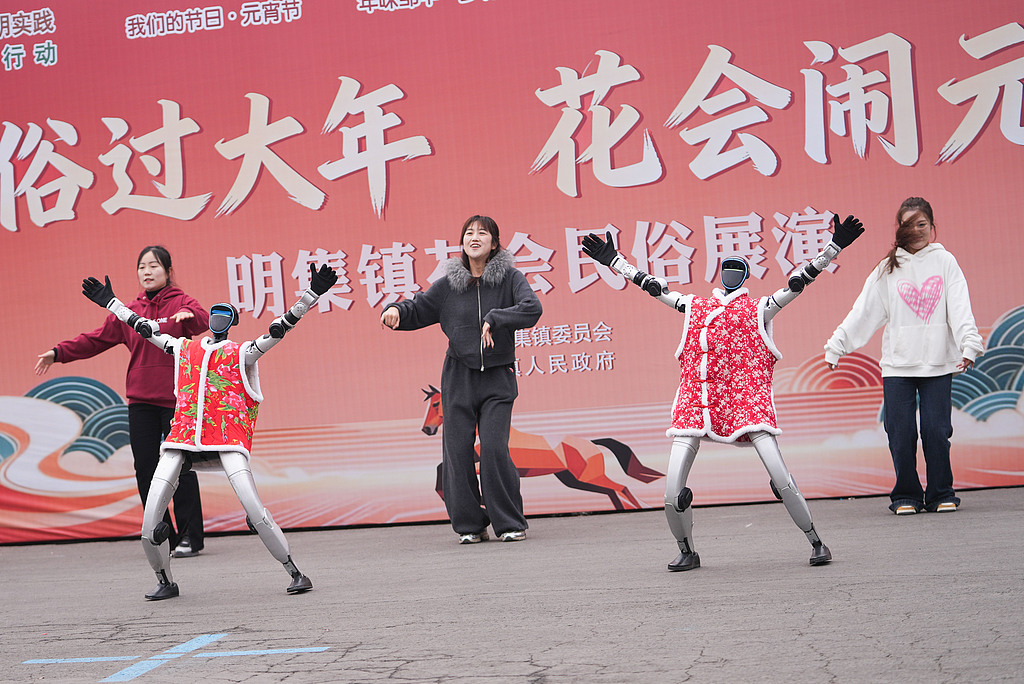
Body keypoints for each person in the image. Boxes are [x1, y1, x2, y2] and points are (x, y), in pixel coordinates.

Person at [581, 213, 864, 571]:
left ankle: (815, 540)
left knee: (781, 477)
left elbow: (798, 282)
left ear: (744, 276)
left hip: (748, 402)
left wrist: (832, 248)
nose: (731, 274)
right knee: (672, 492)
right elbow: (654, 287)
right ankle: (687, 548)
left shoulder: (759, 308)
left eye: (736, 269)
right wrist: (616, 262)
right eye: (726, 268)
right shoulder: (696, 307)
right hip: (696, 404)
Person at [79, 262, 338, 600]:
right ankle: (164, 578)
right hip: (183, 438)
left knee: (254, 508)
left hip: (227, 438)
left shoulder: (241, 352)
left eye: (224, 313)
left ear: (231, 322)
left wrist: (311, 294)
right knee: (151, 516)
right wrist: (111, 303)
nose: (216, 318)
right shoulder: (186, 349)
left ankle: (294, 571)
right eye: (214, 312)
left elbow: (280, 327)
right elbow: (144, 328)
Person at [35, 246, 208, 557]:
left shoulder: (182, 301)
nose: (147, 271)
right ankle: (160, 533)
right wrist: (58, 352)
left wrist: (189, 316)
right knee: (145, 468)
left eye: (154, 266)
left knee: (180, 467)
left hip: (176, 399)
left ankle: (190, 537)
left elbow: (204, 321)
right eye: (142, 266)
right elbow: (95, 339)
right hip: (140, 401)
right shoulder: (129, 311)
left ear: (168, 271)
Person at [381, 215, 543, 544]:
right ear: (463, 243)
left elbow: (532, 309)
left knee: (495, 450)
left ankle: (510, 522)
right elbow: (419, 308)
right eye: (469, 232)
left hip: (497, 379)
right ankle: (470, 524)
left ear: (494, 244)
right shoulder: (448, 285)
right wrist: (396, 310)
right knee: (457, 452)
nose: (475, 237)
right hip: (458, 378)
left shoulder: (511, 279)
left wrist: (496, 318)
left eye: (482, 233)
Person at [825, 197, 983, 516]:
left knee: (936, 431)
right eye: (909, 224)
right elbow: (864, 312)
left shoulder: (945, 262)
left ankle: (941, 492)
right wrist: (837, 345)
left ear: (932, 226)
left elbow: (960, 306)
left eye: (922, 224)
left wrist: (969, 344)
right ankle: (906, 494)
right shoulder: (888, 268)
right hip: (897, 366)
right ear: (899, 229)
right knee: (900, 433)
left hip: (937, 364)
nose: (917, 230)